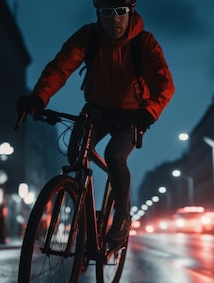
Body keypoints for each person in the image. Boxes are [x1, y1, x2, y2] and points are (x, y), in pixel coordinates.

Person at [16, 0, 174, 246]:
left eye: (120, 12)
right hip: (97, 109)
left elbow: (164, 85)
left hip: (132, 113)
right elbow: (60, 67)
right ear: (98, 14)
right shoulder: (88, 37)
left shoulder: (144, 43)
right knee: (75, 154)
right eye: (107, 12)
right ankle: (83, 211)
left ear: (130, 12)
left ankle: (122, 216)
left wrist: (149, 112)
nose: (114, 18)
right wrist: (39, 97)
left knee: (114, 156)